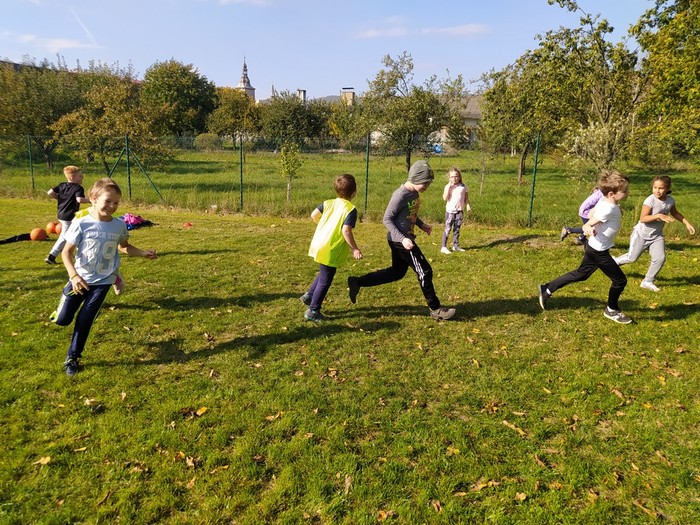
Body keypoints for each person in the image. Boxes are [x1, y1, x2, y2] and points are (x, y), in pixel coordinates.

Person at [50, 178, 157, 376]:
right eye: (108, 201)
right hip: (80, 279)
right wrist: (74, 276)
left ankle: (72, 358)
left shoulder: (119, 226)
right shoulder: (81, 223)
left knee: (85, 320)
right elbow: (66, 253)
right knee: (63, 320)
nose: (112, 206)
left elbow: (124, 247)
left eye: (116, 202)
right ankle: (61, 308)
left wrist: (143, 253)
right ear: (93, 198)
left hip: (103, 281)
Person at [347, 160, 456, 320]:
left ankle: (357, 282)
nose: (427, 186)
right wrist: (403, 239)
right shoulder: (400, 195)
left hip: (403, 239)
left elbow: (409, 213)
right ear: (416, 179)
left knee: (397, 272)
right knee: (424, 270)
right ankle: (435, 309)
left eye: (429, 183)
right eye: (425, 183)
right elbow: (387, 219)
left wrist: (421, 224)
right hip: (400, 241)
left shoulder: (414, 193)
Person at [538, 169, 632, 324]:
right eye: (624, 191)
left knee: (582, 274)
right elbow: (588, 222)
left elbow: (590, 214)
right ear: (611, 194)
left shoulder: (606, 202)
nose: (627, 193)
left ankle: (547, 288)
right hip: (599, 252)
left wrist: (615, 210)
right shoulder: (608, 208)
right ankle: (612, 310)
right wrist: (588, 227)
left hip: (594, 247)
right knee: (620, 281)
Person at [614, 175, 695, 292]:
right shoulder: (650, 200)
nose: (657, 190)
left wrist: (687, 223)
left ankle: (647, 281)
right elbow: (643, 218)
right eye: (655, 187)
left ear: (667, 189)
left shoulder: (670, 201)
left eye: (661, 188)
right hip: (641, 234)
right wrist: (659, 216)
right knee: (632, 258)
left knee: (660, 258)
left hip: (656, 236)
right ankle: (615, 262)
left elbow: (675, 213)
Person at [301, 174, 363, 322]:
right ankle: (313, 311)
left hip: (319, 242)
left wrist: (325, 226)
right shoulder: (350, 209)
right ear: (354, 192)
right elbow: (346, 231)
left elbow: (314, 215)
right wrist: (355, 248)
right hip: (330, 247)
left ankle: (309, 296)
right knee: (326, 279)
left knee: (325, 272)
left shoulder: (328, 203)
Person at [45, 165, 91, 264]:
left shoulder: (62, 185)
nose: (82, 178)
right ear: (72, 177)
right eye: (80, 176)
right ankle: (52, 256)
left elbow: (50, 192)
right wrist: (90, 200)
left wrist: (60, 199)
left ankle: (75, 251)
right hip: (69, 216)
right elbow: (79, 199)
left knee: (76, 231)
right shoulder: (78, 188)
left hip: (61, 214)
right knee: (66, 236)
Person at [440, 167, 471, 254]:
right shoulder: (448, 187)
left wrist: (468, 205)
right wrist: (449, 187)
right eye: (452, 177)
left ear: (459, 176)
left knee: (457, 228)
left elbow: (466, 198)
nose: (454, 178)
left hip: (459, 211)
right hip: (450, 211)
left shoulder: (463, 186)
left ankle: (455, 246)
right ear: (449, 177)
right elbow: (445, 198)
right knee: (448, 228)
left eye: (456, 176)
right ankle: (443, 247)